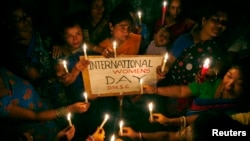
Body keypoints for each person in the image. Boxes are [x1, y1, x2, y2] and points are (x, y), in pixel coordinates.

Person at [155, 2, 230, 116]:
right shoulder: (186, 39)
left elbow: (220, 66)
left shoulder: (220, 47)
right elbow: (169, 62)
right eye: (215, 20)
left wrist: (212, 73)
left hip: (201, 100)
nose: (219, 25)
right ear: (204, 21)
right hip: (175, 93)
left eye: (223, 23)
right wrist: (163, 70)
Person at [142, 57, 250, 128]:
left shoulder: (240, 114)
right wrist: (155, 90)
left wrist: (170, 121)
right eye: (229, 76)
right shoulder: (211, 83)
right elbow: (182, 91)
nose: (230, 84)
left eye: (239, 83)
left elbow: (207, 122)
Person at [0, 67, 90, 141]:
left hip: (47, 109)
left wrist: (55, 78)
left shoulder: (2, 72)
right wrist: (70, 109)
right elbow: (36, 116)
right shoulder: (2, 106)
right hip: (38, 131)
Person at [0, 1, 58, 107]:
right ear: (9, 25)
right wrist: (57, 77)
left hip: (59, 86)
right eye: (18, 20)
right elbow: (37, 79)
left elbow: (59, 50)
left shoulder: (42, 34)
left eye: (26, 16)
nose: (26, 21)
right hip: (38, 97)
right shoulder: (15, 50)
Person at [119, 111, 250, 141]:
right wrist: (137, 136)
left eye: (187, 136)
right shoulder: (229, 124)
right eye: (189, 127)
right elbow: (170, 136)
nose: (183, 132)